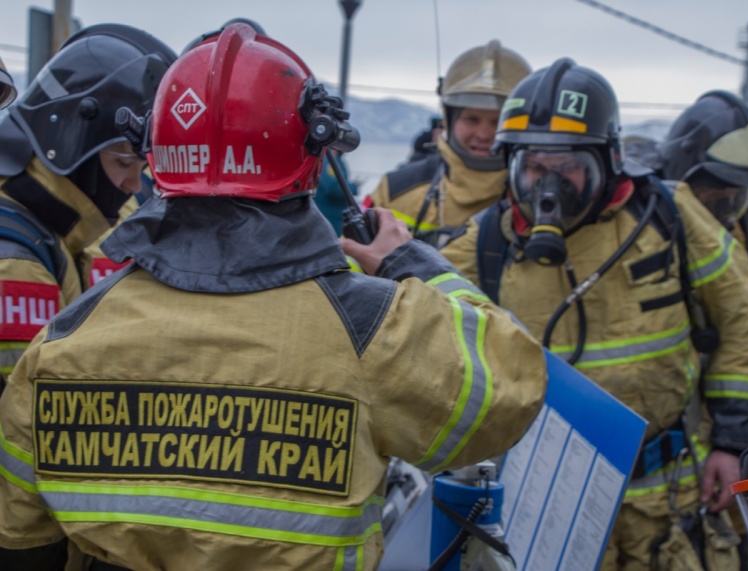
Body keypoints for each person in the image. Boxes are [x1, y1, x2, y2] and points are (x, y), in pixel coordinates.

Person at [0, 23, 547, 571]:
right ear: (309, 153)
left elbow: (22, 545)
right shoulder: (372, 328)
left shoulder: (63, 341)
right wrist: (413, 262)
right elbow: (511, 385)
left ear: (157, 154)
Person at [441, 58, 748, 570]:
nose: (547, 188)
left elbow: (740, 325)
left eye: (568, 166)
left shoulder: (669, 215)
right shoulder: (489, 241)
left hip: (668, 491)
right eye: (532, 167)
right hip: (550, 496)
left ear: (608, 159)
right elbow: (416, 309)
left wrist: (735, 445)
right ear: (510, 166)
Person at [0, 24, 176, 383]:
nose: (132, 184)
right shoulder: (18, 265)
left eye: (142, 168)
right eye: (123, 163)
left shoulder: (53, 230)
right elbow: (33, 415)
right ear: (71, 147)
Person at [656, 91, 748, 374]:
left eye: (738, 194)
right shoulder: (643, 211)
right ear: (681, 174)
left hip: (729, 382)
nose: (730, 208)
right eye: (716, 193)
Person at [364, 40, 531, 247]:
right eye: (471, 119)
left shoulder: (539, 198)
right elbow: (350, 264)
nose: (483, 134)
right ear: (449, 120)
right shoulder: (395, 191)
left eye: (497, 122)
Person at [312, 149, 358, 235]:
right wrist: (354, 187)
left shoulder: (329, 160)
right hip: (329, 220)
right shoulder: (329, 162)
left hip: (329, 220)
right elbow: (334, 189)